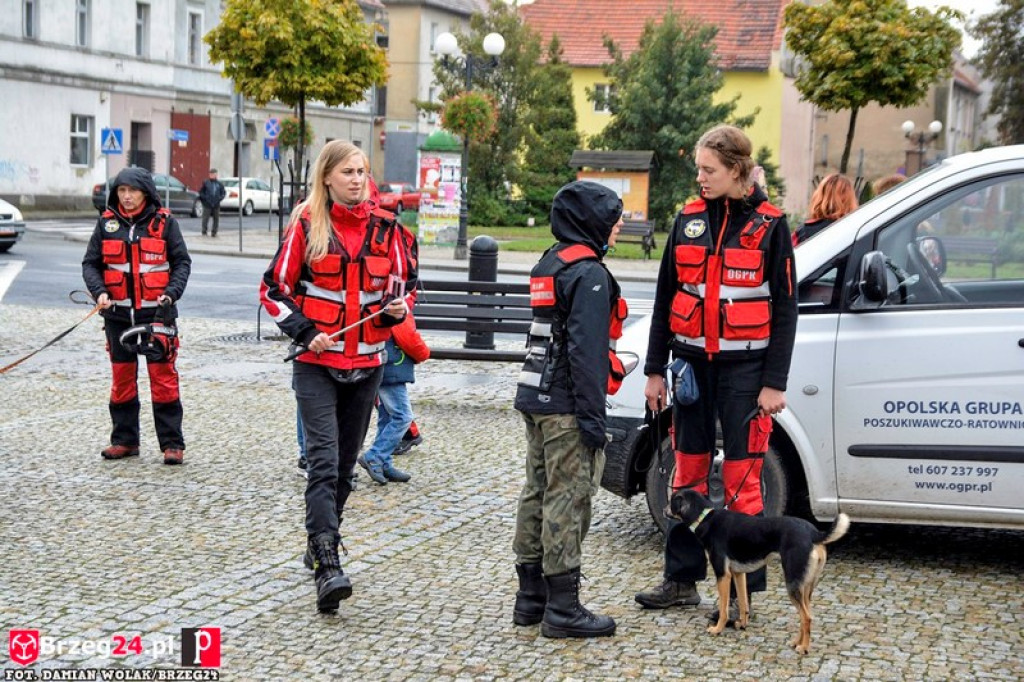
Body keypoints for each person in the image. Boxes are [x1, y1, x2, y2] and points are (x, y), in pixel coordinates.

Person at [634, 125, 798, 624]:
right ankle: (681, 582)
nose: (700, 178)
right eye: (698, 169)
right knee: (686, 473)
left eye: (709, 170)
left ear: (737, 171)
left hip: (746, 372)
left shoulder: (772, 226)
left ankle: (742, 596)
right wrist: (655, 370)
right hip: (689, 368)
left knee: (742, 481)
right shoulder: (687, 219)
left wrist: (775, 383)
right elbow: (665, 299)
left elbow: (787, 311)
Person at [260, 140, 417, 613]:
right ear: (326, 177)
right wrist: (306, 332)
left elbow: (407, 286)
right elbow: (273, 289)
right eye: (347, 171)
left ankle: (320, 538)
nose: (355, 179)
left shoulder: (388, 228)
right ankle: (328, 563)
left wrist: (395, 310)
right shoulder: (307, 225)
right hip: (316, 366)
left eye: (361, 171)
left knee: (346, 469)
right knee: (324, 464)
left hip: (367, 365)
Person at [511, 180, 626, 639]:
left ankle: (530, 598)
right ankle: (563, 608)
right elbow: (586, 352)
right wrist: (594, 421)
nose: (619, 226)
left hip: (534, 394)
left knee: (536, 491)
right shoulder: (589, 274)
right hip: (565, 404)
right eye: (613, 218)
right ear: (592, 221)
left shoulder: (550, 262)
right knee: (569, 496)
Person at [82, 166, 192, 465]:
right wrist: (99, 292)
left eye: (132, 191)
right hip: (117, 316)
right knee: (121, 380)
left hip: (156, 315)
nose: (127, 197)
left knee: (163, 378)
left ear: (145, 192)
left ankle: (172, 444)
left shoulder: (165, 222)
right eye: (121, 191)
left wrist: (171, 293)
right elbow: (90, 264)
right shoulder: (106, 223)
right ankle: (124, 440)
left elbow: (182, 262)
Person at [357, 313, 430, 484]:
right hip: (391, 367)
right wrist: (424, 352)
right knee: (402, 416)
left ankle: (384, 463)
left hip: (382, 363)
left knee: (387, 416)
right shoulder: (397, 302)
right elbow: (408, 337)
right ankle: (375, 456)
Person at [792, 173, 858, 245]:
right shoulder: (859, 230)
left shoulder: (804, 231)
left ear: (819, 197)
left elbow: (787, 254)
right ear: (850, 199)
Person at [199, 168, 226, 237]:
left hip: (216, 204)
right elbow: (201, 192)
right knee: (205, 218)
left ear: (216, 175)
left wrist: (219, 198)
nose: (212, 175)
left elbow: (223, 193)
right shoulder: (206, 182)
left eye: (213, 174)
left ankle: (214, 232)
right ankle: (204, 231)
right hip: (207, 204)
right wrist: (205, 199)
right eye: (211, 174)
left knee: (216, 219)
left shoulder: (219, 184)